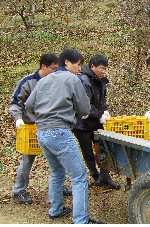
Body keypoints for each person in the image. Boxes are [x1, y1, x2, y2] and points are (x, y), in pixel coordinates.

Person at [25, 49, 103, 224]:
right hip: (60, 132)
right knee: (79, 176)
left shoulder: (44, 80)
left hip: (42, 133)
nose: (79, 69)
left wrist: (43, 116)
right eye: (77, 64)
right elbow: (84, 109)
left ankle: (56, 209)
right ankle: (82, 219)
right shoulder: (72, 79)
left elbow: (29, 105)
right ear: (66, 62)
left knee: (57, 171)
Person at [9, 53, 72, 205]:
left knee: (58, 157)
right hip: (31, 129)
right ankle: (19, 190)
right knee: (27, 160)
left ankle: (58, 186)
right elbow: (15, 103)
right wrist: (18, 119)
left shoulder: (55, 82)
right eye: (53, 68)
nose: (56, 72)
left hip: (50, 126)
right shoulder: (28, 82)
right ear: (43, 66)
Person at [73, 54, 120, 189]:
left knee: (103, 149)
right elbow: (85, 104)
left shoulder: (101, 81)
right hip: (82, 124)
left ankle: (105, 176)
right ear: (92, 67)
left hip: (96, 123)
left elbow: (101, 100)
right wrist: (99, 115)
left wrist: (104, 112)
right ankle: (96, 176)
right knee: (88, 152)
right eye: (101, 68)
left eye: (105, 69)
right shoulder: (84, 80)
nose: (103, 72)